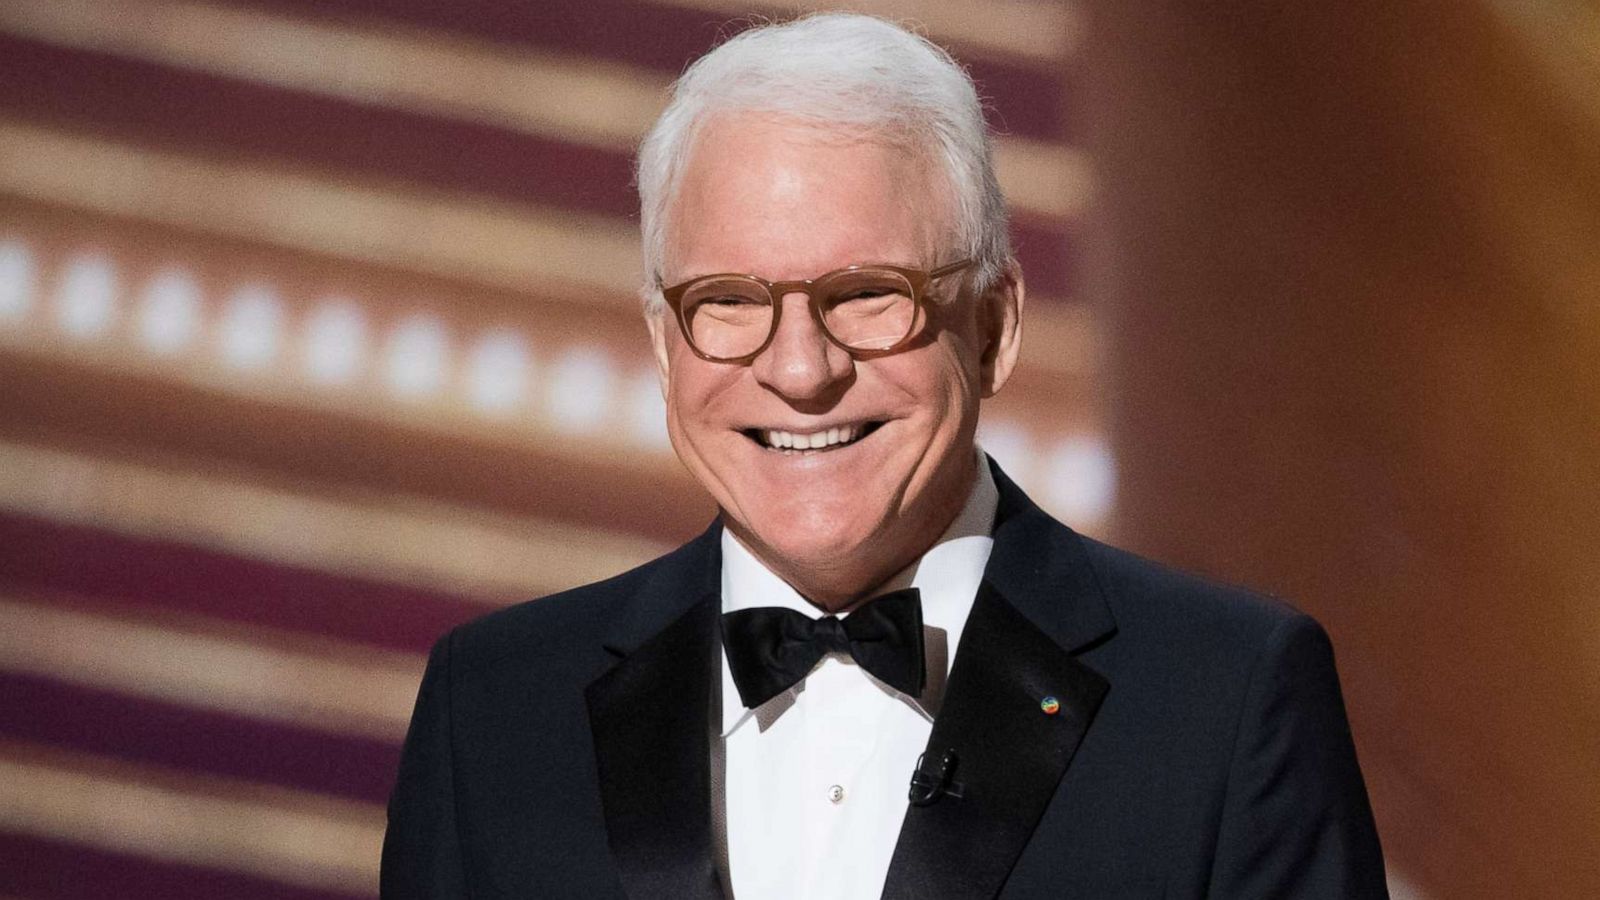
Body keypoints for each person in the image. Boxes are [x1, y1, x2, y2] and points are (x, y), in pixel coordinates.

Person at [381, 13, 1386, 899]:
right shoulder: (495, 707)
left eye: (867, 294)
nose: (802, 369)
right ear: (662, 344)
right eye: (727, 302)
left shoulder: (1226, 700)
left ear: (992, 326)